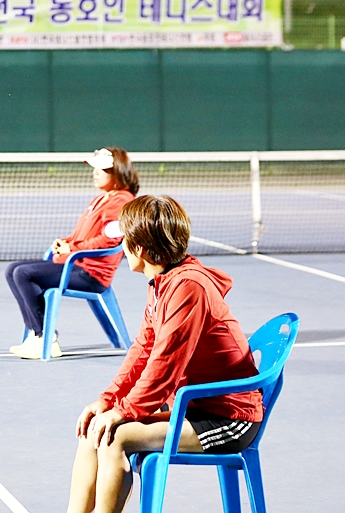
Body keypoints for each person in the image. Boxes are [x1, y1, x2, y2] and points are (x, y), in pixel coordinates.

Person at [66, 195, 263, 513]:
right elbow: (143, 349)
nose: (122, 248)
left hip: (228, 418)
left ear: (140, 248)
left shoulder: (188, 288)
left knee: (114, 436)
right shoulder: (162, 283)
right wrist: (108, 400)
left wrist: (123, 411)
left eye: (125, 240)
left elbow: (164, 366)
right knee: (94, 429)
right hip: (194, 408)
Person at [5, 147, 138, 360]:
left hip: (91, 274)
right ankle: (36, 334)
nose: (95, 173)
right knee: (12, 269)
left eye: (101, 170)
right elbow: (82, 234)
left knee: (23, 274)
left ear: (117, 173)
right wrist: (66, 242)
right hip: (76, 265)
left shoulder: (121, 201)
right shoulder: (100, 199)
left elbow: (110, 240)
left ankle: (46, 338)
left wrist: (73, 249)